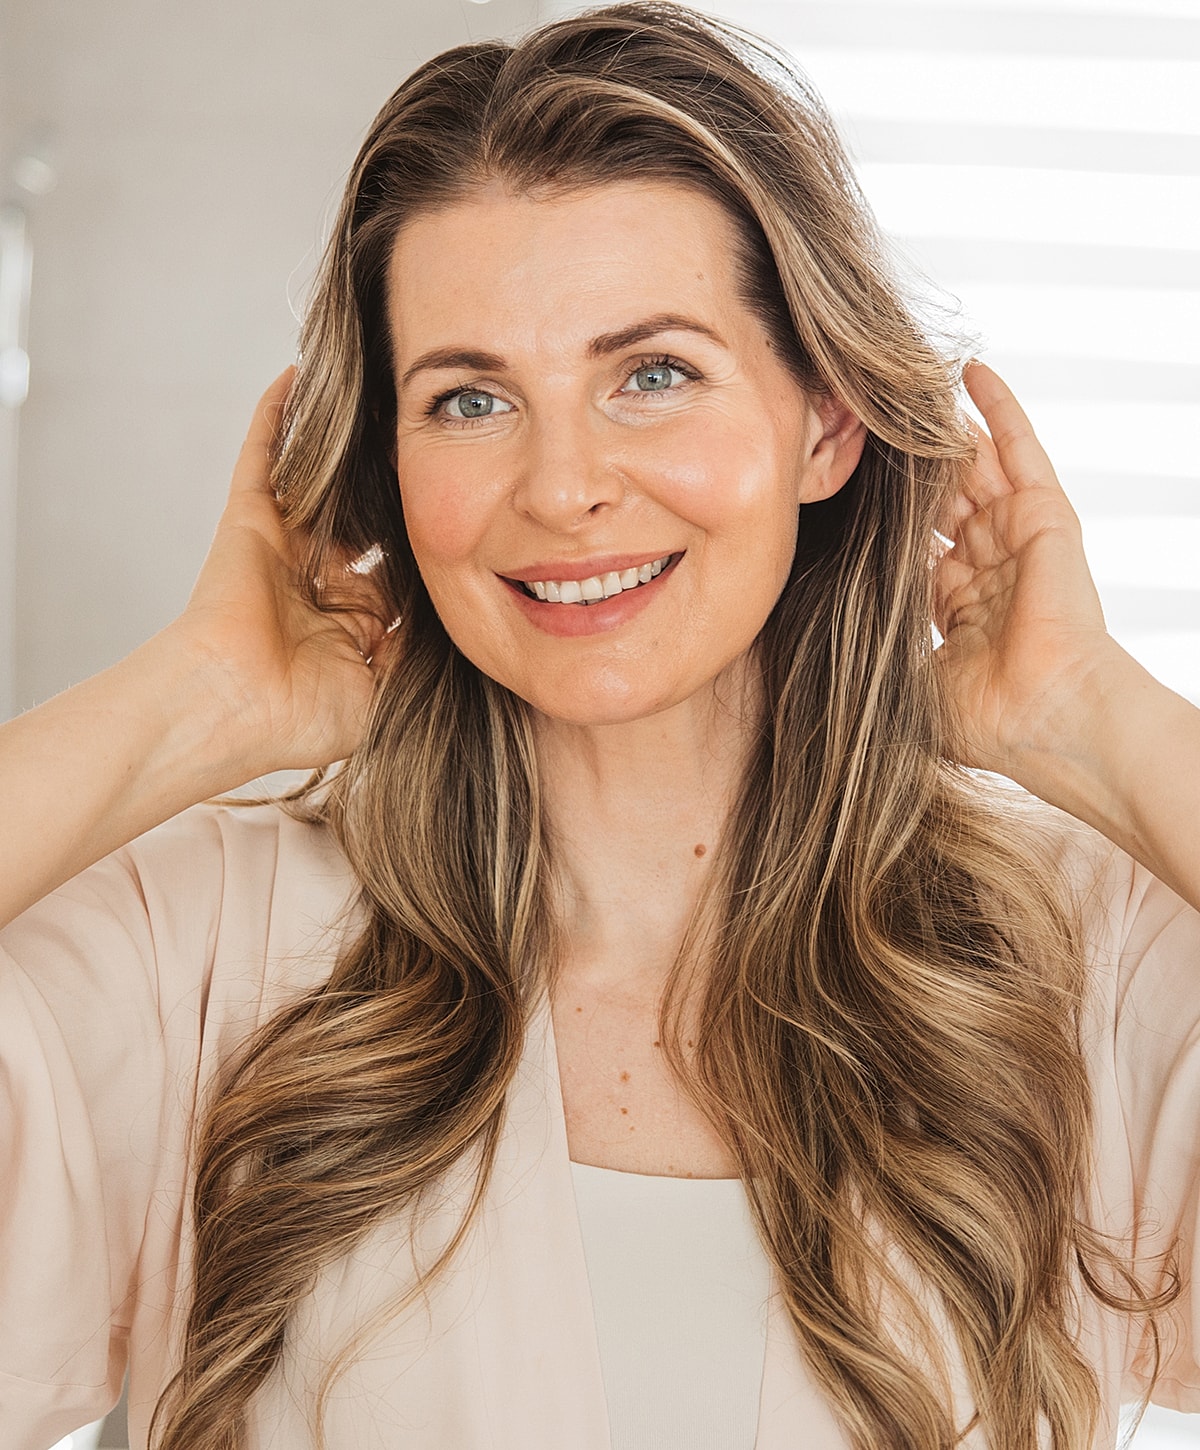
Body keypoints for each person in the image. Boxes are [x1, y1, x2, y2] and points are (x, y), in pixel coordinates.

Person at [2, 4, 1198, 1448]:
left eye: (652, 373)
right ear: (389, 461)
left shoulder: (1068, 964)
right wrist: (198, 697)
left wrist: (1091, 715)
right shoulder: (205, 947)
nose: (562, 486)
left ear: (825, 422)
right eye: (470, 397)